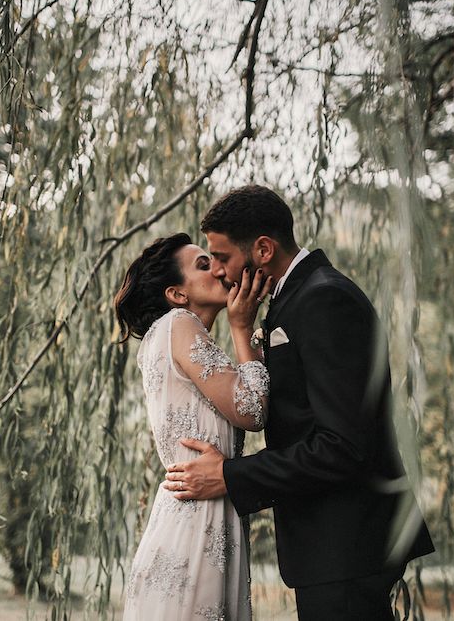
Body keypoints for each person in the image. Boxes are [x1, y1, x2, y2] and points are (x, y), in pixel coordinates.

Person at [163, 185, 435, 621]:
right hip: (334, 547)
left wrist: (230, 476)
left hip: (347, 544)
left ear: (264, 249)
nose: (219, 272)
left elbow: (341, 445)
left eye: (223, 257)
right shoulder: (299, 298)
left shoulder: (324, 299)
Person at [115, 232, 273, 621]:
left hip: (197, 512)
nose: (219, 270)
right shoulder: (179, 325)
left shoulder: (172, 335)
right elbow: (252, 410)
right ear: (178, 294)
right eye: (203, 265)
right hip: (197, 520)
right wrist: (242, 328)